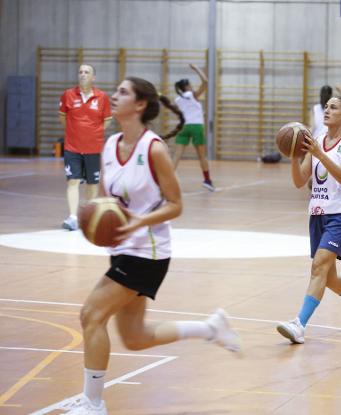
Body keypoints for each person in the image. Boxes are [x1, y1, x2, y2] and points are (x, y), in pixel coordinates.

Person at [61, 77, 240, 415]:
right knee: (135, 337)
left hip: (149, 251)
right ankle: (210, 328)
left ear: (140, 104)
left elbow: (175, 204)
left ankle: (93, 404)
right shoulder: (110, 144)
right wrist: (95, 221)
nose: (114, 96)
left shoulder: (153, 148)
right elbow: (104, 201)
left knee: (91, 315)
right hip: (124, 249)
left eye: (123, 92)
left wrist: (137, 221)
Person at [276, 96, 341, 344]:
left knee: (319, 266)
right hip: (318, 215)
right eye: (326, 107)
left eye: (333, 107)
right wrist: (293, 155)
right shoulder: (316, 143)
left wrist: (318, 154)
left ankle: (299, 324)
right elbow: (300, 181)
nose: (327, 110)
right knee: (329, 277)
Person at [59, 64, 112, 231]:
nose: (83, 74)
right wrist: (75, 132)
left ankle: (88, 217)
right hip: (72, 147)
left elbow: (107, 119)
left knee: (92, 183)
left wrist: (93, 132)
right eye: (80, 72)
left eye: (86, 72)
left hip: (93, 147)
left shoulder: (102, 97)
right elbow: (63, 118)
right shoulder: (68, 95)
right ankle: (73, 217)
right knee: (73, 180)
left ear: (93, 77)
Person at [173, 64, 215, 191]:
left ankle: (166, 179)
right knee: (201, 156)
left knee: (177, 156)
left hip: (184, 126)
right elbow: (206, 82)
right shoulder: (192, 95)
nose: (191, 86)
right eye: (190, 84)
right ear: (186, 86)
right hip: (196, 126)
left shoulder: (178, 99)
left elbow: (182, 113)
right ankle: (207, 180)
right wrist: (196, 68)